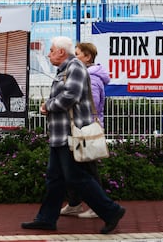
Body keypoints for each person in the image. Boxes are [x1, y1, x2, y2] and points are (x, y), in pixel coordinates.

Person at [21, 36, 125, 234]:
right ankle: (46, 219)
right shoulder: (65, 69)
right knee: (55, 178)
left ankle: (111, 211)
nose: (48, 54)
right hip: (60, 134)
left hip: (71, 134)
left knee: (76, 177)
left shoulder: (75, 67)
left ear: (61, 52)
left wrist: (47, 105)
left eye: (51, 50)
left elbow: (71, 96)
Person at [59, 42, 111, 219]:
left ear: (87, 57)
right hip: (80, 129)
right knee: (74, 167)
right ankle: (75, 203)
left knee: (88, 168)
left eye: (78, 54)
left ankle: (99, 206)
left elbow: (91, 105)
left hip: (86, 129)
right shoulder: (84, 75)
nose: (74, 58)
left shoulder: (92, 78)